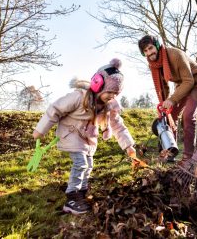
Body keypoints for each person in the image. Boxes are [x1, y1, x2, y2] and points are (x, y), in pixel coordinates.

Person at [33, 59, 137, 215]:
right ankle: (71, 199)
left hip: (88, 140)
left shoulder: (109, 106)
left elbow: (118, 126)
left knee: (88, 165)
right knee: (81, 163)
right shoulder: (79, 97)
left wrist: (128, 145)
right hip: (71, 134)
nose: (112, 96)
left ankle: (81, 192)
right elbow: (55, 109)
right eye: (109, 92)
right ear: (98, 84)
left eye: (116, 93)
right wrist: (41, 130)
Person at [138, 35, 197, 163]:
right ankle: (169, 153)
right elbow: (163, 87)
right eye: (145, 51)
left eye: (150, 48)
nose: (149, 53)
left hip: (196, 82)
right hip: (182, 85)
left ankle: (188, 158)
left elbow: (189, 81)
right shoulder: (154, 64)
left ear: (157, 46)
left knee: (188, 116)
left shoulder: (175, 55)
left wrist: (172, 99)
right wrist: (164, 105)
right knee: (169, 116)